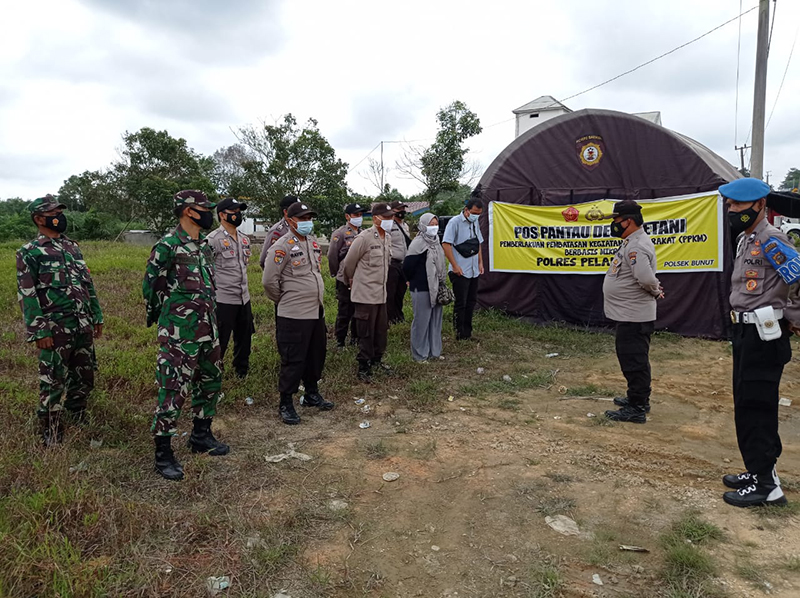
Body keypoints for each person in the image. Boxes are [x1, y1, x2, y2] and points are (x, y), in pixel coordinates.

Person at [719, 177, 800, 507]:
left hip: (765, 335)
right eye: (730, 203)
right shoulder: (746, 239)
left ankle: (767, 486)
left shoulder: (771, 239)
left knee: (757, 406)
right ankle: (758, 470)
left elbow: (797, 278)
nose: (731, 208)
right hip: (746, 333)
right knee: (746, 403)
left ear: (760, 205)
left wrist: (794, 317)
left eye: (738, 204)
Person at [143, 190, 229, 481]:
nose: (208, 213)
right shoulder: (167, 246)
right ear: (188, 211)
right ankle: (163, 452)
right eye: (204, 209)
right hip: (180, 334)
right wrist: (169, 320)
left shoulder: (204, 246)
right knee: (172, 388)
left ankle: (201, 436)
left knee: (210, 382)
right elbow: (151, 288)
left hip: (208, 329)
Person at [16, 195, 104, 445]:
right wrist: (39, 330)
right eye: (52, 212)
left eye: (59, 211)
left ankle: (77, 412)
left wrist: (96, 313)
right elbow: (27, 293)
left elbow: (87, 283)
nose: (59, 216)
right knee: (53, 377)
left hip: (81, 322)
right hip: (54, 327)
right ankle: (50, 427)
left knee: (84, 374)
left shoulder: (72, 247)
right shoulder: (29, 252)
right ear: (38, 219)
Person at [263, 201, 332, 424]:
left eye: (309, 218)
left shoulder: (311, 242)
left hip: (315, 312)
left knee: (315, 355)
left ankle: (311, 394)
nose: (307, 222)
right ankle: (286, 403)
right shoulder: (281, 246)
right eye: (302, 219)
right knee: (293, 360)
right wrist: (284, 300)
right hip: (293, 314)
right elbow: (268, 282)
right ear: (291, 220)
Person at [600, 200, 664, 424]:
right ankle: (635, 398)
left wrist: (655, 290)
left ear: (628, 221)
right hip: (629, 314)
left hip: (634, 316)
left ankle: (637, 407)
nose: (614, 224)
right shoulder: (631, 241)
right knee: (631, 359)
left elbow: (645, 277)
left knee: (634, 361)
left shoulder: (636, 245)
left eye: (616, 220)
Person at [342, 202, 394, 382]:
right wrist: (351, 279)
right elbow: (349, 264)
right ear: (375, 219)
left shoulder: (387, 237)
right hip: (365, 294)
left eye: (391, 217)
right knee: (365, 332)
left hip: (381, 294)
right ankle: (363, 366)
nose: (390, 221)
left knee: (380, 331)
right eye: (386, 218)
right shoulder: (363, 238)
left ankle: (377, 361)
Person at [207, 197, 255, 378]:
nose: (237, 215)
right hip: (223, 299)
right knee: (220, 340)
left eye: (239, 211)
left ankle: (241, 371)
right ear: (222, 215)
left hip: (243, 296)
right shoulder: (213, 240)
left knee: (244, 337)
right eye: (233, 212)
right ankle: (213, 375)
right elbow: (207, 270)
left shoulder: (244, 239)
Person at [403, 213, 447, 362]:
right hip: (421, 288)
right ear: (423, 225)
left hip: (437, 287)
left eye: (436, 224)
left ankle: (434, 352)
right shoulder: (417, 243)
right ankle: (420, 355)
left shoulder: (436, 241)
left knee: (435, 320)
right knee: (421, 322)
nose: (434, 227)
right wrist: (410, 280)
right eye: (430, 224)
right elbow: (407, 267)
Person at [442, 196, 484, 341]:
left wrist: (480, 263)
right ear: (466, 210)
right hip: (460, 269)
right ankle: (459, 333)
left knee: (471, 301)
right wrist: (454, 265)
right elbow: (446, 244)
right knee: (461, 303)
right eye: (474, 213)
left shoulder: (475, 223)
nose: (476, 216)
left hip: (473, 270)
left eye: (479, 214)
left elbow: (478, 243)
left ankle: (468, 332)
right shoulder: (454, 223)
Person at [327, 202, 364, 348]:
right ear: (347, 216)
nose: (358, 218)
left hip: (360, 277)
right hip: (344, 278)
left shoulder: (363, 233)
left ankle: (355, 337)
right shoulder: (340, 233)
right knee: (344, 310)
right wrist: (336, 273)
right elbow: (332, 256)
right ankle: (340, 340)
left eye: (360, 215)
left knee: (358, 310)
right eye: (356, 215)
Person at [259, 195, 302, 268]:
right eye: (296, 209)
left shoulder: (300, 228)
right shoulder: (277, 232)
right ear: (286, 211)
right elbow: (264, 260)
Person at [387, 200, 412, 324]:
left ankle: (398, 315)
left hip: (404, 264)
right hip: (392, 263)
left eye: (403, 209)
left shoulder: (405, 225)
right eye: (399, 209)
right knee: (390, 292)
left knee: (401, 291)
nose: (402, 212)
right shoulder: (388, 226)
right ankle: (389, 317)